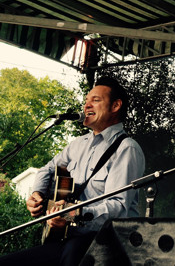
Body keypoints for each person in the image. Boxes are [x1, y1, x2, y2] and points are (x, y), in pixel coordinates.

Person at [0, 77, 145, 266]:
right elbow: (47, 170)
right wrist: (38, 193)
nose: (86, 106)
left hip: (104, 243)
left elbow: (118, 208)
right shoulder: (78, 145)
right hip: (68, 239)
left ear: (116, 106)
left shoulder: (126, 148)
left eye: (95, 100)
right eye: (86, 101)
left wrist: (73, 214)